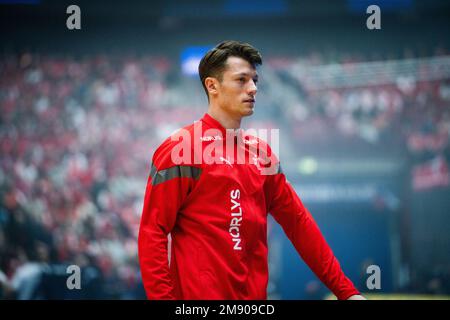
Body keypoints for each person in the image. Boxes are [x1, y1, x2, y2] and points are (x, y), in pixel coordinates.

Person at [138, 40, 365, 300]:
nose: (253, 88)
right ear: (212, 86)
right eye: (241, 80)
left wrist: (346, 293)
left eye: (255, 80)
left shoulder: (262, 155)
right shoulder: (180, 149)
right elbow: (152, 232)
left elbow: (299, 223)